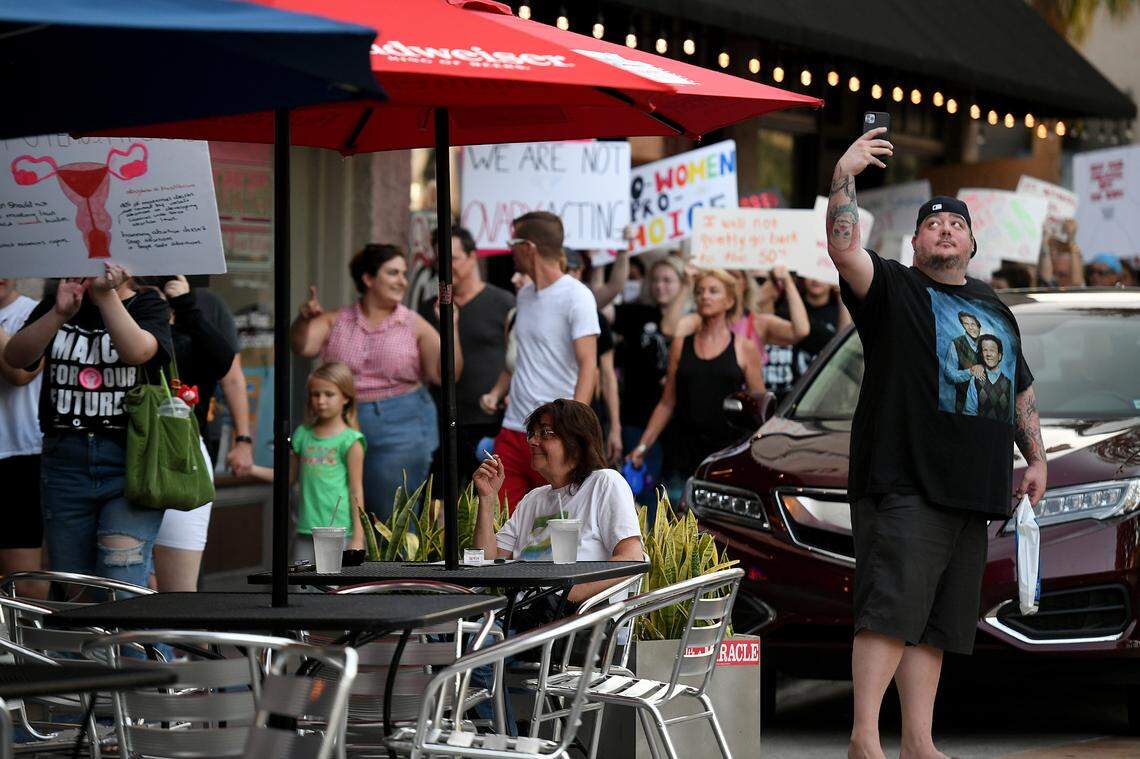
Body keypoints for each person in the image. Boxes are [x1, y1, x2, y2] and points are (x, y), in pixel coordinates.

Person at [825, 128, 1046, 759]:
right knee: (890, 609)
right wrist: (845, 173)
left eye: (956, 223)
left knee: (936, 626)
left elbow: (1018, 387)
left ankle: (918, 742)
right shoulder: (892, 288)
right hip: (904, 483)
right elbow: (844, 250)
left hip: (971, 491)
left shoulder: (995, 307)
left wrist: (1036, 456)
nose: (945, 229)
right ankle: (864, 738)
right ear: (915, 241)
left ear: (973, 242)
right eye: (933, 223)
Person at [5, 264, 174, 588]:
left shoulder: (147, 305)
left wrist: (106, 295)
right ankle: (97, 642)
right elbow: (16, 357)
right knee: (75, 585)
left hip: (131, 461)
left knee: (119, 578)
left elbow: (138, 351)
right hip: (65, 462)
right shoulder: (60, 304)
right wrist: (58, 313)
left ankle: (138, 641)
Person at [290, 244, 462, 520]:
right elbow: (303, 346)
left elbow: (445, 374)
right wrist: (303, 319)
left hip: (400, 424)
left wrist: (450, 328)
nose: (402, 281)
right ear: (368, 279)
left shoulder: (412, 323)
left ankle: (390, 566)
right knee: (335, 511)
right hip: (340, 421)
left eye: (404, 273)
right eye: (393, 273)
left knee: (391, 518)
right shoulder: (337, 320)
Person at [479, 212, 599, 510]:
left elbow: (589, 365)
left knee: (552, 529)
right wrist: (497, 392)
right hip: (513, 428)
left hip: (555, 433)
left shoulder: (577, 296)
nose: (509, 250)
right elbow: (521, 358)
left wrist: (573, 429)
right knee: (505, 523)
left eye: (513, 242)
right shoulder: (524, 296)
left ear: (528, 247)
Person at [472, 399, 643, 604]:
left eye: (545, 433)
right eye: (532, 434)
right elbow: (488, 563)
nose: (533, 441)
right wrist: (487, 498)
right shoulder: (533, 500)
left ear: (577, 442)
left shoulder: (604, 483)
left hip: (574, 626)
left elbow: (631, 558)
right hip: (520, 618)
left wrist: (568, 596)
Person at [629, 269, 766, 501]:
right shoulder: (681, 345)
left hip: (725, 456)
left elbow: (760, 406)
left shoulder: (744, 347)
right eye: (700, 291)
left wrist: (759, 452)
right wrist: (642, 447)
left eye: (713, 291)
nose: (705, 296)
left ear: (729, 300)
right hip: (681, 453)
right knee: (675, 527)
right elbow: (666, 403)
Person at [141, 276, 235, 593]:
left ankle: (187, 645)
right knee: (132, 584)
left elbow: (224, 361)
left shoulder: (195, 314)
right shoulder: (126, 309)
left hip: (182, 457)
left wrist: (184, 305)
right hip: (130, 454)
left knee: (178, 590)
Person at [419, 225, 514, 484]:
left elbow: (516, 359)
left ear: (473, 256)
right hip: (441, 420)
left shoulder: (504, 302)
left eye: (452, 259)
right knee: (440, 502)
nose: (446, 266)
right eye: (440, 260)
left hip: (488, 421)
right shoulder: (429, 309)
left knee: (485, 500)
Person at [250, 362, 366, 558]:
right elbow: (289, 477)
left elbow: (356, 490)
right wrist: (251, 469)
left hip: (339, 532)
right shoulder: (302, 435)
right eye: (315, 394)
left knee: (332, 588)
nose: (321, 401)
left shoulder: (351, 440)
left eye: (329, 394)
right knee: (301, 587)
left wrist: (358, 537)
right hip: (304, 530)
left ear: (346, 397)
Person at [611, 255, 689, 502]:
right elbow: (602, 308)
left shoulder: (694, 319)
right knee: (643, 498)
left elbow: (671, 327)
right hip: (637, 418)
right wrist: (611, 259)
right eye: (655, 280)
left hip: (678, 426)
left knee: (675, 499)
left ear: (682, 282)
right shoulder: (637, 312)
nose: (660, 286)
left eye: (668, 280)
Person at [0, 279, 45, 598]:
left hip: (20, 454)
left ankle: (31, 648)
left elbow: (19, 373)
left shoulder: (36, 313)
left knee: (26, 582)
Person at [564, 249, 622, 463]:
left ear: (579, 272)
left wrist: (615, 428)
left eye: (566, 270)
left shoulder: (594, 316)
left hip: (584, 415)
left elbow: (608, 376)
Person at [788, 277, 852, 389]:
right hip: (794, 386)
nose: (816, 280)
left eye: (821, 274)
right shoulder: (793, 306)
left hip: (827, 385)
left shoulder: (839, 309)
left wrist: (842, 296)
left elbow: (844, 339)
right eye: (811, 273)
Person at [972, 334, 1013, 422]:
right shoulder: (975, 379)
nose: (988, 354)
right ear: (982, 355)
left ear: (999, 356)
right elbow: (969, 412)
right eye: (985, 350)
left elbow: (1012, 417)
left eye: (992, 350)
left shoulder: (1009, 383)